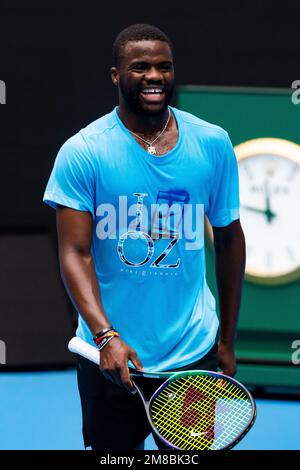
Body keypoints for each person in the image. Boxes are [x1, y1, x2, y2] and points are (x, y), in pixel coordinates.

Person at [43, 23, 245, 451]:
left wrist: (226, 339)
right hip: (110, 355)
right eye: (139, 67)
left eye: (163, 66)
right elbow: (74, 254)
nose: (154, 76)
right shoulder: (84, 152)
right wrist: (106, 337)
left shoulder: (212, 143)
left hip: (194, 352)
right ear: (116, 76)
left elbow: (229, 239)